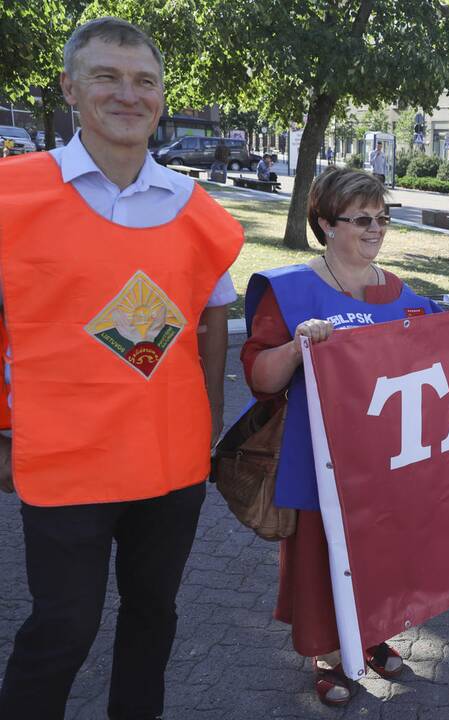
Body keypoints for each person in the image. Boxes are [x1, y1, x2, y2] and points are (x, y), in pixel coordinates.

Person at [0, 18, 243, 720]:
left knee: (152, 616)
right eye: (107, 77)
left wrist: (212, 422)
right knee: (62, 628)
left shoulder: (197, 212)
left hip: (168, 460)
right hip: (63, 458)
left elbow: (210, 320)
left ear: (163, 96)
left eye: (145, 81)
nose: (127, 95)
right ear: (71, 88)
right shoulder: (12, 198)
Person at [242, 167, 434, 706]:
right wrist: (296, 345)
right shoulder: (292, 290)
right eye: (361, 220)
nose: (375, 230)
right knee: (319, 561)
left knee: (380, 553)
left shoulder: (401, 293)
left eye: (382, 218)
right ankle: (326, 656)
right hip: (318, 463)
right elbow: (260, 379)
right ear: (325, 224)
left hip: (385, 461)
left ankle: (370, 635)